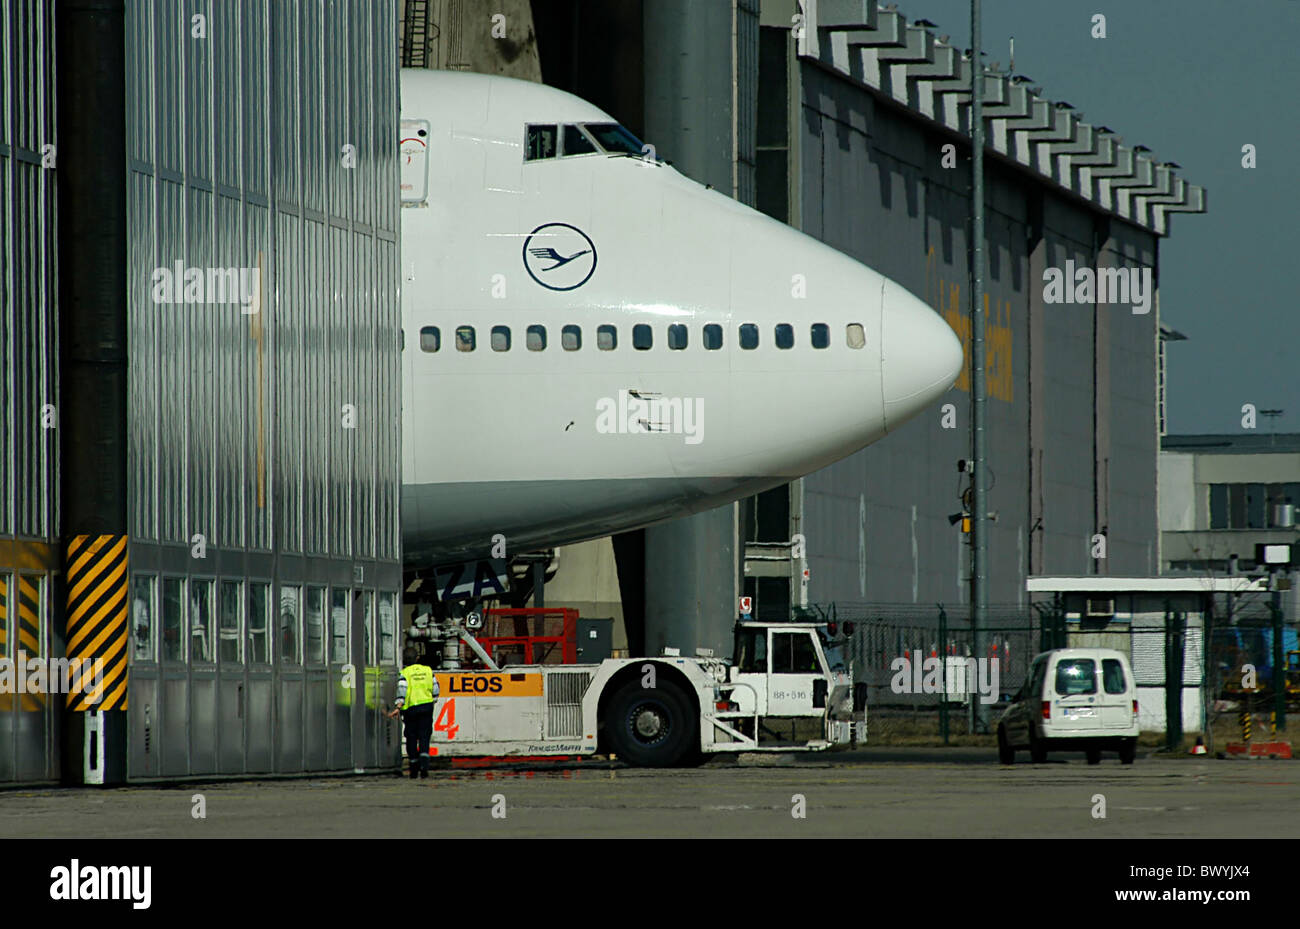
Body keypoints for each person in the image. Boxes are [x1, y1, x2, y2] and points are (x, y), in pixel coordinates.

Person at [386, 646, 439, 779]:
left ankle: (414, 768)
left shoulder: (405, 673)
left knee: (411, 737)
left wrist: (398, 707)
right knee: (424, 737)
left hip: (410, 710)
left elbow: (402, 690)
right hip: (426, 708)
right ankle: (424, 767)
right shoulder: (428, 670)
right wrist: (432, 701)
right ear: (417, 658)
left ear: (404, 660)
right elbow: (436, 689)